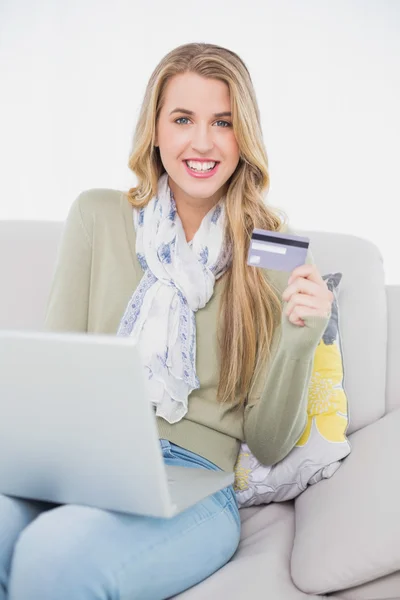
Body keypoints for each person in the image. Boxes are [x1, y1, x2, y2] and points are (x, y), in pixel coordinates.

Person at [0, 42, 333, 600]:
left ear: (243, 136)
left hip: (197, 481)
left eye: (223, 122)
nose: (202, 142)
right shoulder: (97, 215)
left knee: (55, 555)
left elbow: (271, 444)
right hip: (85, 460)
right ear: (154, 130)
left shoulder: (273, 251)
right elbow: (54, 380)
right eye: (183, 119)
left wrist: (301, 340)